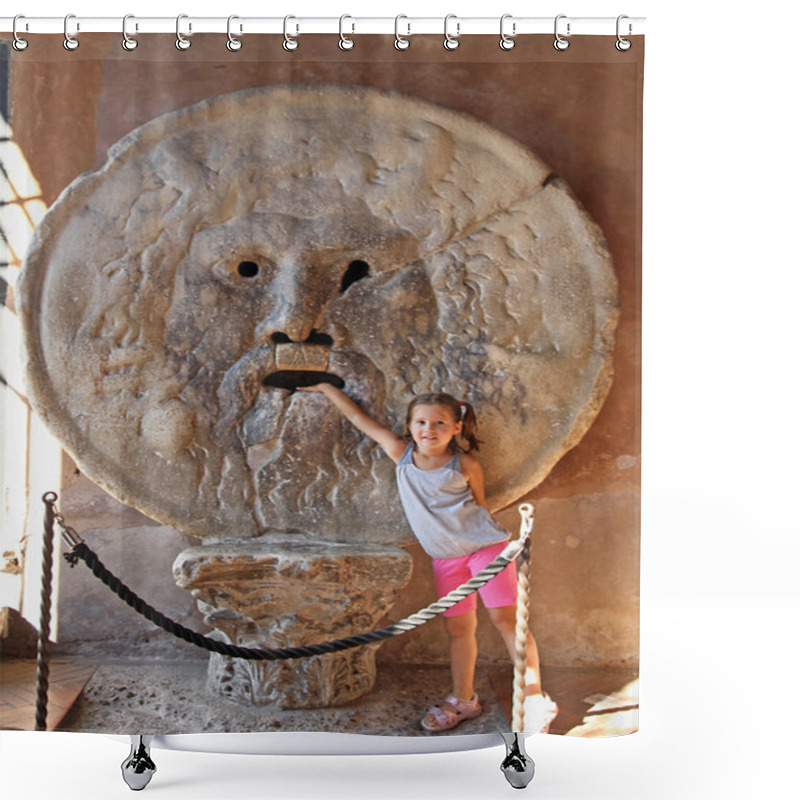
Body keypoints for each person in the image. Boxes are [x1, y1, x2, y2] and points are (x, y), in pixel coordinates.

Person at [298, 383, 558, 733]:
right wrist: (327, 387)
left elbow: (480, 507)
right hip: (445, 560)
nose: (428, 430)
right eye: (421, 422)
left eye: (439, 423)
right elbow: (359, 418)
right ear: (409, 427)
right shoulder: (399, 453)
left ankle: (535, 697)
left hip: (486, 549)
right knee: (458, 629)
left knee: (506, 620)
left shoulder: (464, 463)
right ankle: (463, 699)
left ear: (456, 428)